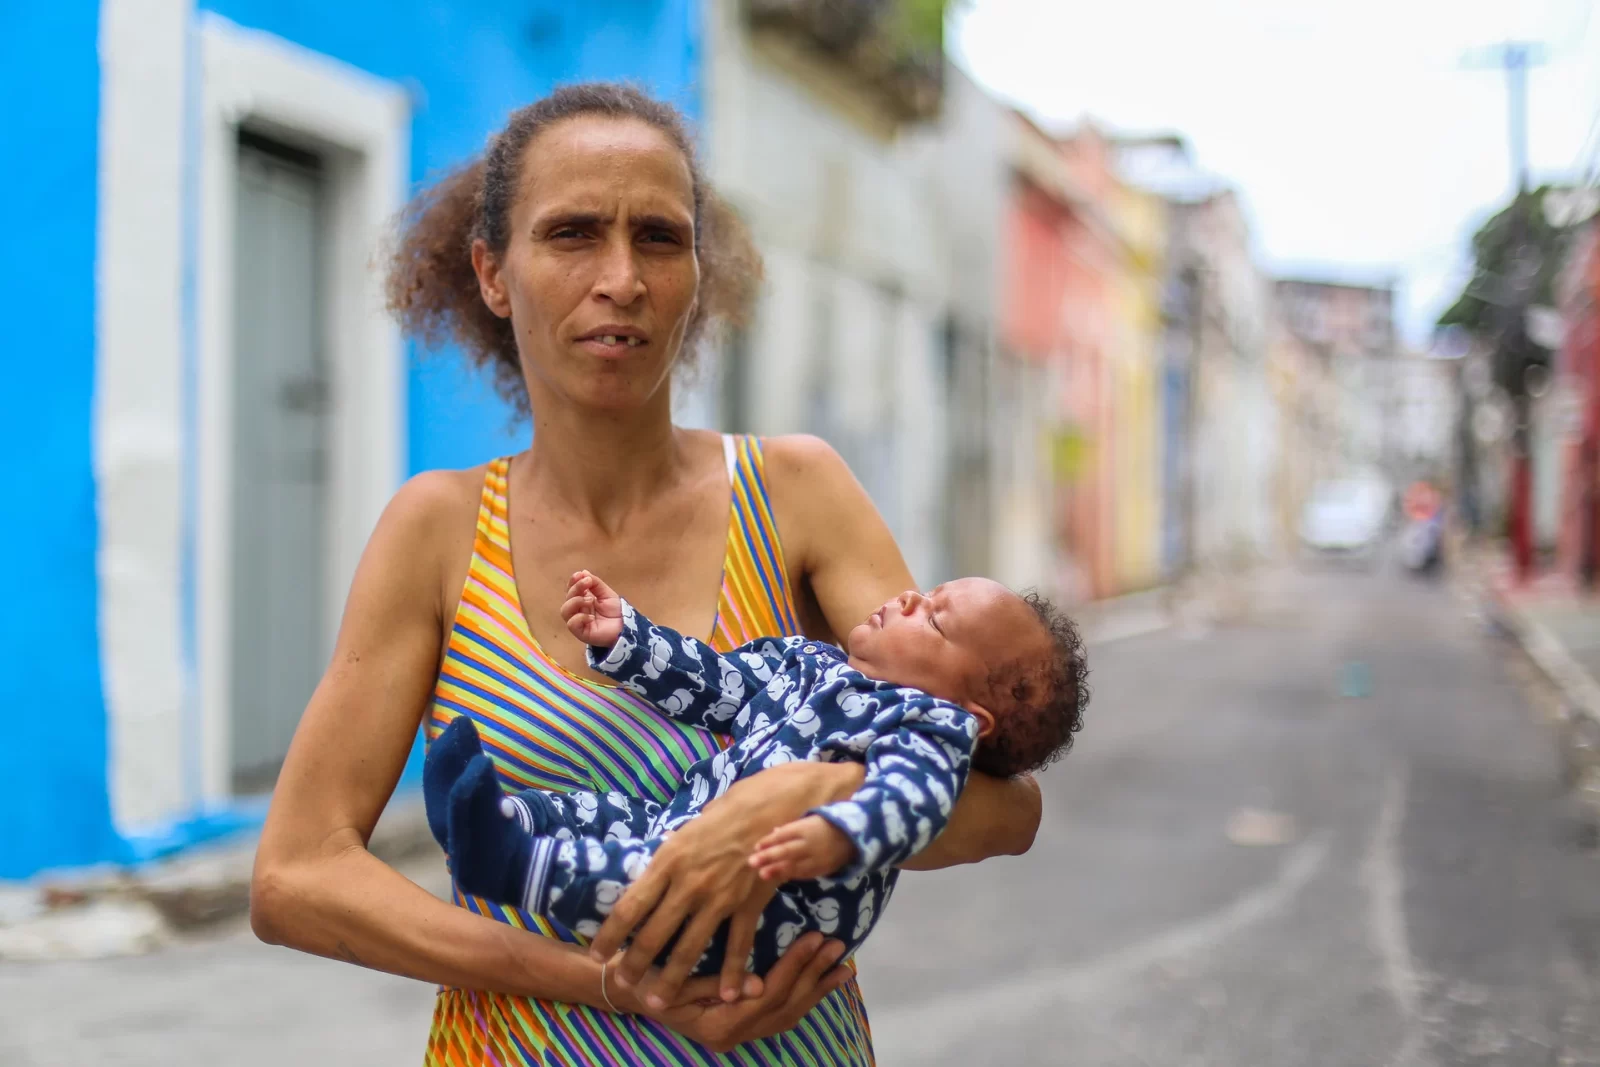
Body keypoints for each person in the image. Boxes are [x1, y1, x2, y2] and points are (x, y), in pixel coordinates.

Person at [247, 81, 1044, 1066]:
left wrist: (795, 796)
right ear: (494, 273)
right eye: (573, 233)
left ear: (696, 274)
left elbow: (1006, 808)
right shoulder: (439, 530)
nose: (620, 277)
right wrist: (619, 983)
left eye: (659, 238)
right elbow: (294, 874)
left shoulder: (797, 494)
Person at [427, 571, 1087, 978]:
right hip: (683, 823)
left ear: (972, 717)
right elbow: (717, 682)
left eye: (936, 619)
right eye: (929, 591)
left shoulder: (924, 728)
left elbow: (911, 799)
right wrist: (625, 637)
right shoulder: (813, 663)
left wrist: (841, 828)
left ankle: (512, 864)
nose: (910, 596)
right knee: (605, 814)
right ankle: (499, 818)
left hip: (769, 913)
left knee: (649, 873)